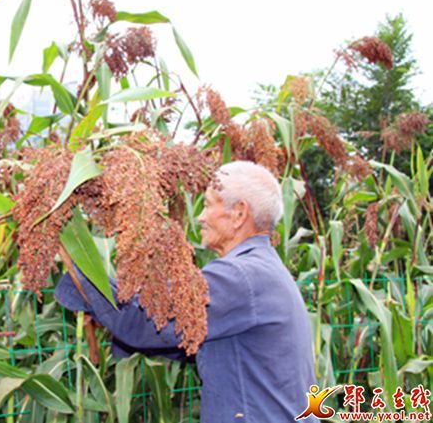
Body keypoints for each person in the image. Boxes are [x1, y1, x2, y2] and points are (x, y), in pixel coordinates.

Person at [55, 161, 318, 422]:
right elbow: (184, 341)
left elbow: (143, 323)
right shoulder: (264, 269)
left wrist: (78, 265)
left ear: (239, 213)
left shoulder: (241, 276)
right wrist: (102, 311)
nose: (200, 217)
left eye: (207, 204)